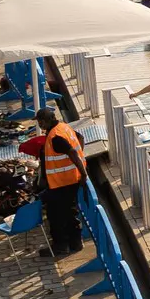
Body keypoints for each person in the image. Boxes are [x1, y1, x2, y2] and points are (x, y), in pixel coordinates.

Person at [36, 107, 87, 258]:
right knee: (70, 212)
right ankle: (75, 242)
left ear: (48, 120)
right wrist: (81, 162)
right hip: (68, 179)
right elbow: (81, 138)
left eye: (41, 122)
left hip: (62, 182)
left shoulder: (55, 137)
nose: (40, 125)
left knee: (56, 215)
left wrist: (83, 173)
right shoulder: (63, 127)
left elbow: (71, 152)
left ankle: (60, 246)